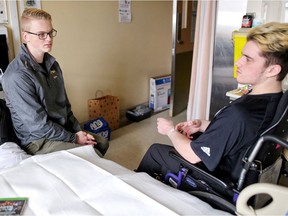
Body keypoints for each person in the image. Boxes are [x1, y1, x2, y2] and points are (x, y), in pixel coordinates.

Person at [137, 22, 288, 180]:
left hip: (218, 181)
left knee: (156, 152)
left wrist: (170, 130)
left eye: (248, 59)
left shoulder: (241, 114)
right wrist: (202, 125)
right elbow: (241, 134)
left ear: (272, 70)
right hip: (241, 169)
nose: (238, 62)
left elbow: (193, 156)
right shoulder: (276, 101)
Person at [1, 8, 109, 157]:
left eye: (50, 32)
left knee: (102, 143)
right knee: (93, 152)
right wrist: (74, 138)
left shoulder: (53, 64)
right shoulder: (16, 76)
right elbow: (38, 126)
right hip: (36, 140)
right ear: (26, 36)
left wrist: (77, 130)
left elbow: (65, 106)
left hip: (59, 128)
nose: (49, 38)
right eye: (41, 34)